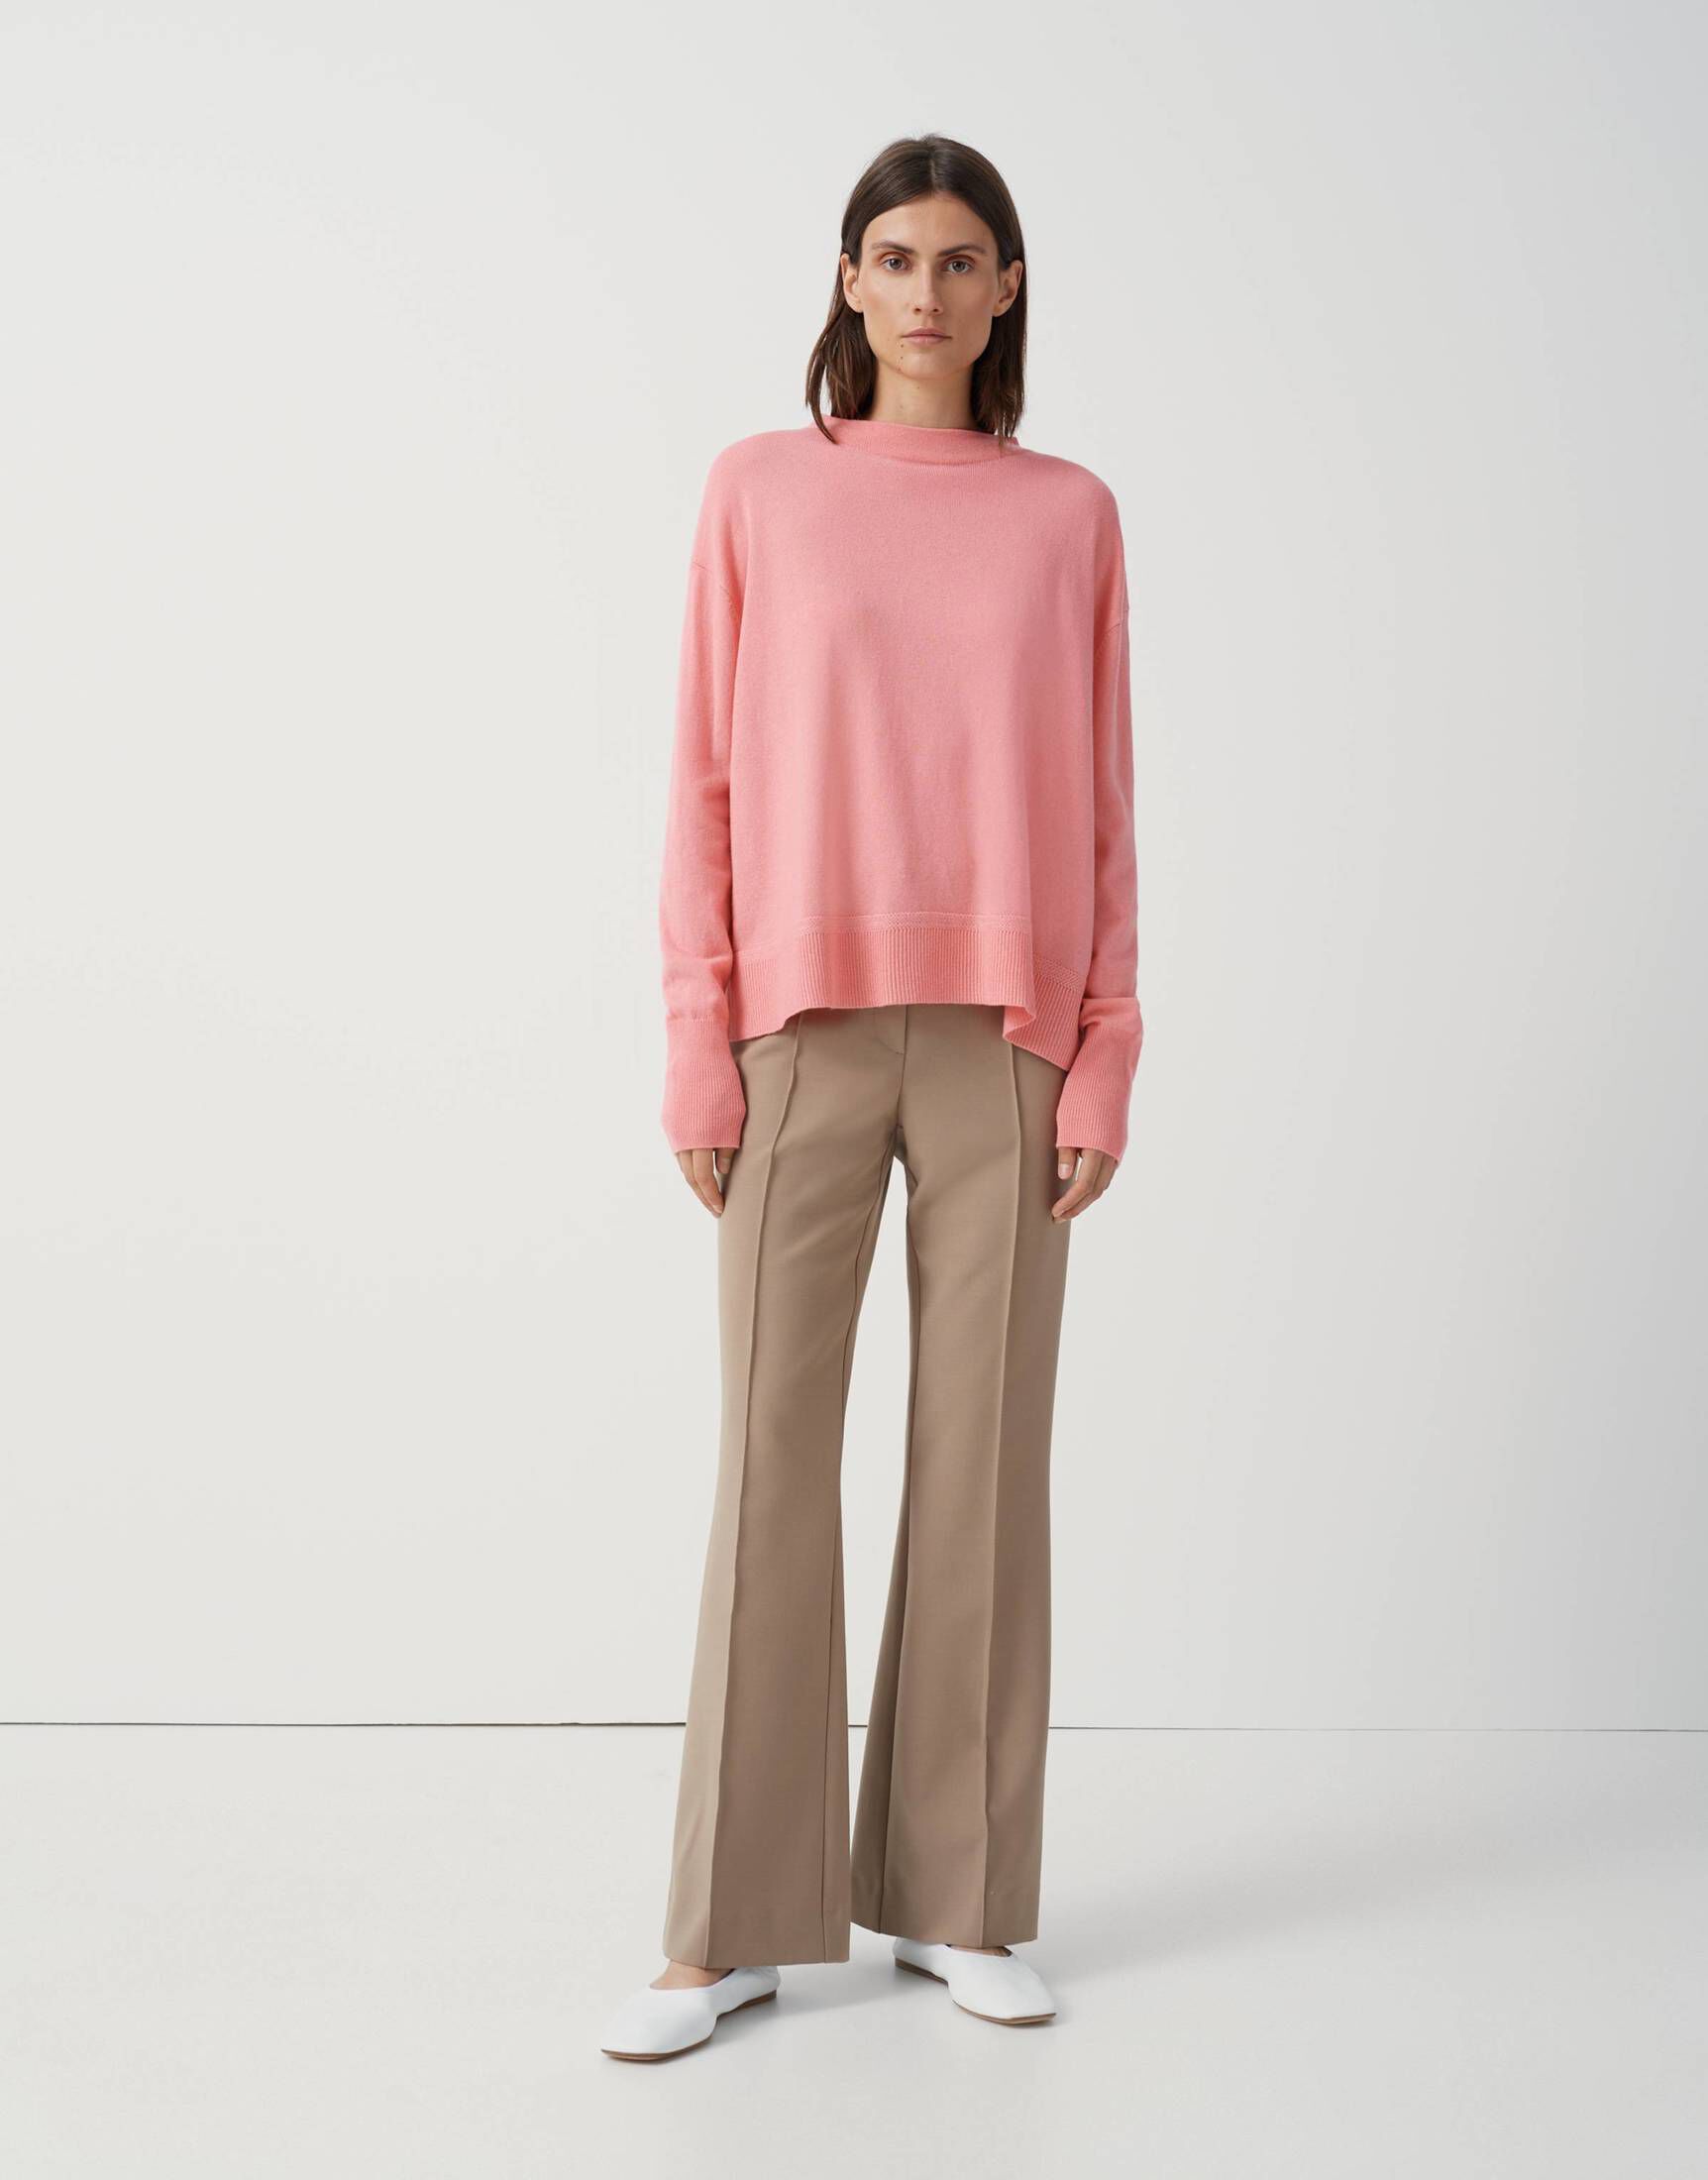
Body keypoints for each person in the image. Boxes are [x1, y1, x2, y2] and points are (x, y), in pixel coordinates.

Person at [600, 132, 1143, 2061]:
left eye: (962, 258)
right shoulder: (761, 489)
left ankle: (956, 1897)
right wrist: (699, 1031)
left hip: (1005, 1037)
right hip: (798, 1033)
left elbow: (1103, 797)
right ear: (849, 282)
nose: (927, 289)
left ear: (1006, 291)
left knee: (984, 1467)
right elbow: (703, 780)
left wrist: (1105, 1043)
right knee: (771, 1458)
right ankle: (726, 1929)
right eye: (894, 256)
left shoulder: (1068, 515)